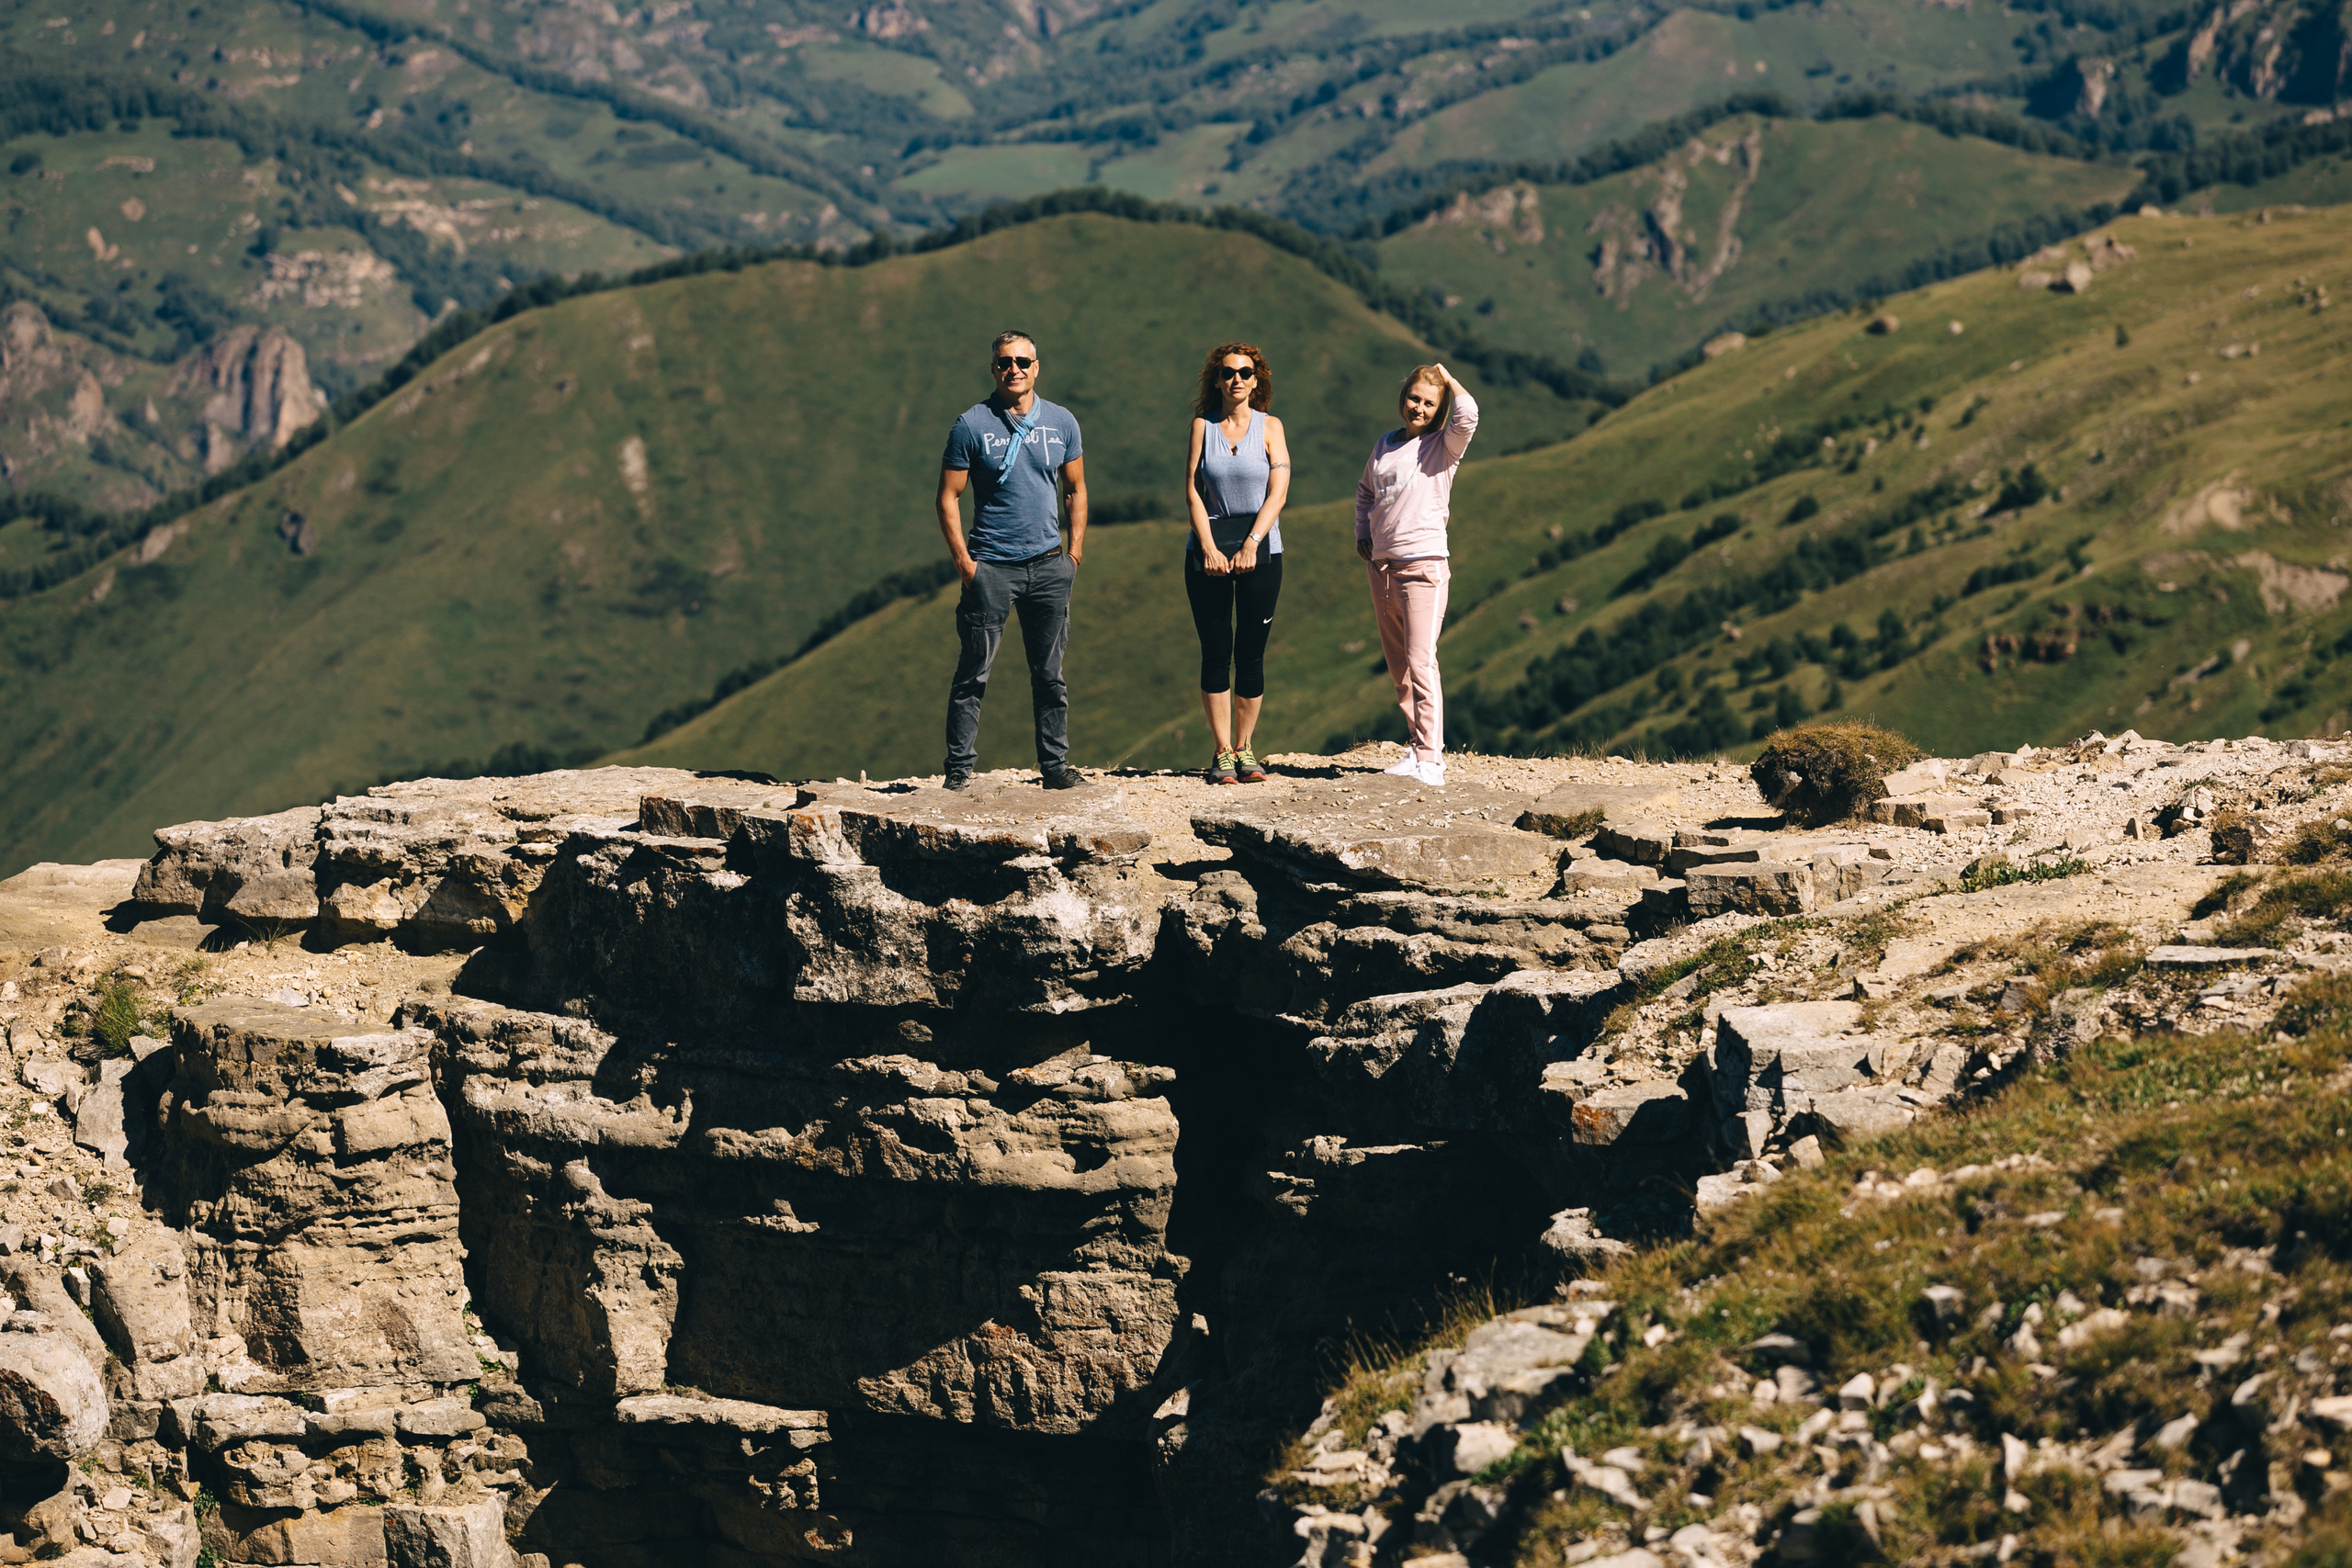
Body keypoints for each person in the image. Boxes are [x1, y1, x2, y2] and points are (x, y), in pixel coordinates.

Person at [936, 330, 1089, 791]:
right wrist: (967, 566)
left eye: (1023, 361)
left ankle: (1056, 768)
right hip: (992, 568)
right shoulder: (971, 424)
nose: (1015, 369)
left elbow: (1076, 489)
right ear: (994, 370)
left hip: (1049, 565)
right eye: (1005, 362)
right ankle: (960, 772)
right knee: (972, 674)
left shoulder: (1062, 422)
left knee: (1049, 676)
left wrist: (1074, 555)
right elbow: (948, 497)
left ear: (1037, 367)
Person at [1355, 362, 1477, 787]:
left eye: (1429, 402)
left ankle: (1432, 758)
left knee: (1421, 661)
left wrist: (1448, 378)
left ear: (1439, 408)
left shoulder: (1444, 447)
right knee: (1399, 667)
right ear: (1402, 397)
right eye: (1414, 398)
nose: (1419, 408)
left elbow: (1470, 414)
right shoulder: (1384, 445)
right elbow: (1365, 492)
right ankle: (1415, 746)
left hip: (1424, 567)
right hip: (1383, 568)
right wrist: (1362, 533)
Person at [1184, 342, 1292, 784]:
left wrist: (1251, 543)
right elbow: (1191, 488)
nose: (1237, 380)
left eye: (1246, 373)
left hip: (1262, 552)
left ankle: (1247, 748)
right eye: (1229, 373)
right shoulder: (1201, 427)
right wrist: (1208, 547)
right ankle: (1222, 751)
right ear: (1216, 379)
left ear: (1257, 379)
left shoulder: (1271, 428)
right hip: (1207, 552)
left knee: (1250, 653)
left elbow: (1279, 491)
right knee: (1215, 651)